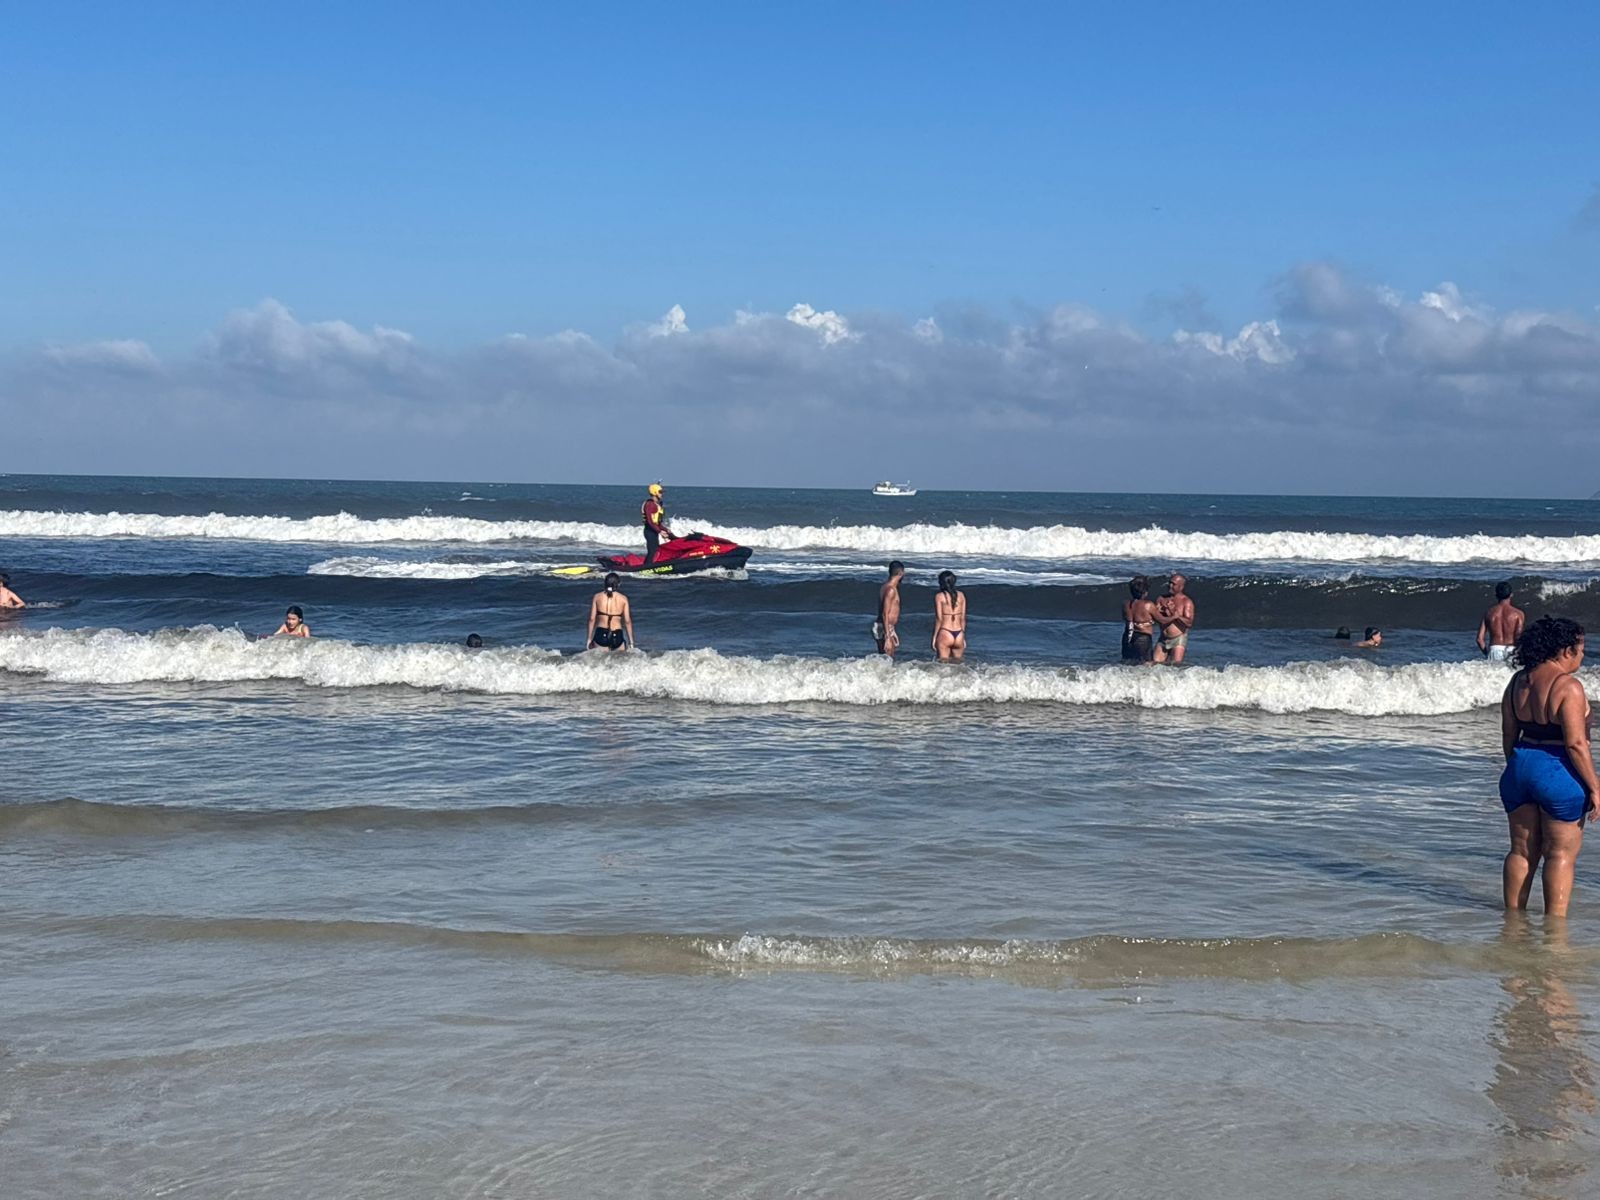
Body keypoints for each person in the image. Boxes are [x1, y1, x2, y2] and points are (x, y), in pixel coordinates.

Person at [1498, 616, 1598, 916]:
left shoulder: (1517, 682)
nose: (1583, 656)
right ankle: (1555, 932)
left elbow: (1508, 732)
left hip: (1520, 765)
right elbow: (1576, 744)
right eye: (1581, 649)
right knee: (1560, 855)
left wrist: (1516, 766)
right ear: (1565, 650)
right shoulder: (1569, 686)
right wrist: (1595, 787)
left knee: (1521, 851)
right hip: (1559, 771)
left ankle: (1513, 922)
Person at [1152, 574, 1195, 664]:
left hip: (1178, 638)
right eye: (1169, 583)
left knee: (1175, 667)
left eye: (1173, 584)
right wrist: (1159, 612)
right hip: (1163, 638)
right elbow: (1157, 619)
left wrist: (1175, 614)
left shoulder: (1186, 601)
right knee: (1154, 665)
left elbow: (1189, 623)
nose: (1170, 586)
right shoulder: (1161, 598)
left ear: (1181, 586)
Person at [1479, 581, 1526, 663]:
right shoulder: (1518, 614)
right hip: (1512, 649)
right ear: (1511, 594)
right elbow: (1519, 637)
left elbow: (1479, 639)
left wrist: (1487, 653)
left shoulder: (1489, 613)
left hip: (1494, 649)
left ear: (1496, 595)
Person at [587, 573, 633, 651]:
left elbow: (592, 619)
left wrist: (589, 639)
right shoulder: (623, 599)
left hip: (601, 633)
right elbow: (627, 621)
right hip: (617, 634)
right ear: (618, 584)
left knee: (600, 661)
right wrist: (631, 642)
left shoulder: (597, 597)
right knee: (619, 661)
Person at [1121, 576, 1158, 663]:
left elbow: (1126, 618)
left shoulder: (1125, 604)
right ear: (1145, 592)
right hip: (1142, 638)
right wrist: (1174, 616)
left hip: (1127, 636)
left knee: (1127, 662)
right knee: (1146, 664)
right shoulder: (1148, 605)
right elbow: (1162, 620)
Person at [933, 570, 966, 661]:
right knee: (959, 666)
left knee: (943, 666)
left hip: (945, 632)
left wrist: (935, 637)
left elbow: (939, 619)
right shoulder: (961, 595)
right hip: (959, 633)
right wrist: (963, 635)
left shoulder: (939, 596)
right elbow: (962, 618)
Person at [874, 561, 905, 657]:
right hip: (885, 627)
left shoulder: (886, 587)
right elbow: (885, 613)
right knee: (888, 658)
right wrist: (887, 636)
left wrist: (892, 630)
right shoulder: (890, 589)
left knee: (884, 659)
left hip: (886, 626)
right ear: (901, 573)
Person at [640, 482, 675, 567]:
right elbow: (650, 521)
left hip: (654, 531)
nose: (662, 494)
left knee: (655, 550)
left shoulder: (657, 505)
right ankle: (646, 568)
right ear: (655, 492)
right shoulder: (650, 505)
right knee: (652, 551)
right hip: (649, 531)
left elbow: (657, 523)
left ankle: (649, 566)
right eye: (660, 492)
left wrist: (666, 530)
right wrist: (660, 532)